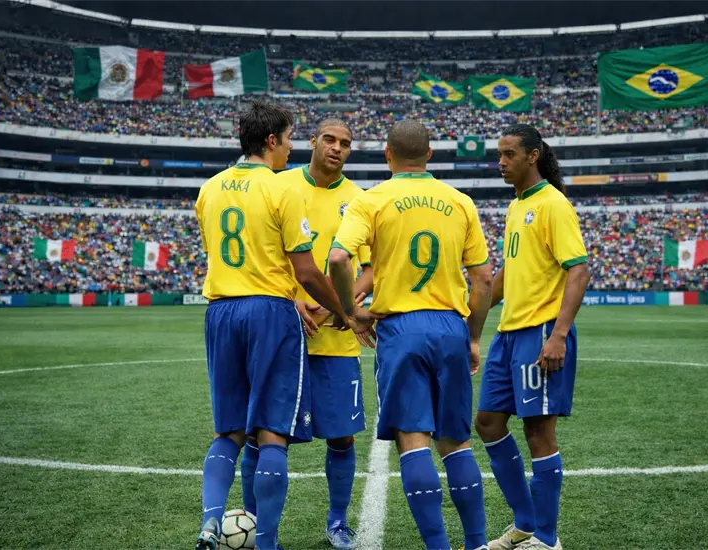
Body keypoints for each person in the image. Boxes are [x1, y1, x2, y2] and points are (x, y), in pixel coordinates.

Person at [194, 101, 355, 550]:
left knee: (228, 431)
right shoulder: (283, 189)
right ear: (271, 140)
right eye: (287, 140)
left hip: (221, 311)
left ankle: (209, 525)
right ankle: (265, 542)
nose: (289, 149)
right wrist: (344, 312)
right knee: (270, 434)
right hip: (269, 312)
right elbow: (305, 272)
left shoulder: (210, 188)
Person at [329, 120, 494, 550]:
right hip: (449, 326)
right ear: (430, 156)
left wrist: (351, 311)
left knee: (414, 439)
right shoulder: (460, 202)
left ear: (387, 155)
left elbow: (338, 258)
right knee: (456, 442)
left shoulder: (371, 200)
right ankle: (476, 543)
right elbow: (483, 281)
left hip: (401, 328)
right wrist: (473, 337)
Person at [475, 125, 590, 550]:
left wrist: (558, 335)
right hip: (508, 334)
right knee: (487, 423)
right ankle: (525, 524)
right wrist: (470, 311)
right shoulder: (516, 207)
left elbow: (577, 269)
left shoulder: (553, 205)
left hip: (540, 331)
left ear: (533, 156)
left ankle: (547, 538)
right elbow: (507, 275)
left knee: (539, 434)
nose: (501, 162)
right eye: (499, 154)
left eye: (508, 154)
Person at [274, 118, 373, 549]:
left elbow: (370, 269)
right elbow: (265, 258)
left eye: (345, 144)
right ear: (312, 142)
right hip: (282, 331)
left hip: (335, 336)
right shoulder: (280, 187)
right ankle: (260, 523)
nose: (337, 148)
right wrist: (291, 299)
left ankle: (337, 522)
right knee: (268, 432)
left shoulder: (359, 200)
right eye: (329, 140)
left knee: (342, 435)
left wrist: (340, 305)